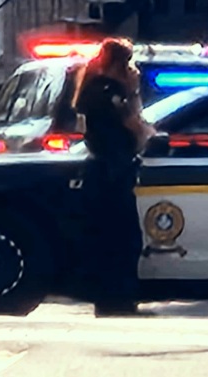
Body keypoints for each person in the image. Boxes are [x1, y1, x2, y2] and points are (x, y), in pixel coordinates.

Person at [72, 38, 156, 317]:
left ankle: (109, 300)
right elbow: (136, 126)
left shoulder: (91, 88)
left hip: (100, 170)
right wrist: (133, 93)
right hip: (113, 172)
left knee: (106, 238)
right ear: (120, 64)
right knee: (124, 238)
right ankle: (119, 300)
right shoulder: (110, 91)